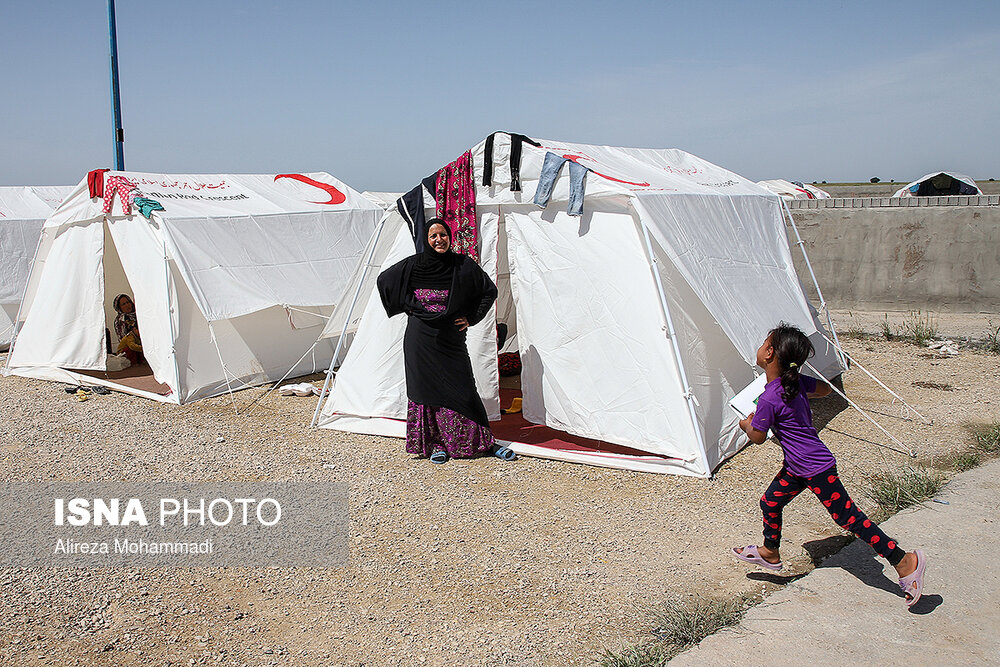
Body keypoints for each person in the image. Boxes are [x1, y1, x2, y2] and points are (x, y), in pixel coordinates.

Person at [731, 322, 927, 607]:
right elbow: (824, 389)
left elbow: (758, 437)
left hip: (816, 469)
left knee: (849, 519)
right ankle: (770, 552)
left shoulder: (770, 397)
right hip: (798, 467)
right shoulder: (791, 383)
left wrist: (746, 423)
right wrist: (797, 385)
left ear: (770, 354)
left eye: (764, 343)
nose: (760, 348)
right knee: (770, 501)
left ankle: (904, 560)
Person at [377, 219, 516, 464]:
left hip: (451, 340)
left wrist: (471, 317)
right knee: (426, 391)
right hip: (420, 341)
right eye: (433, 236)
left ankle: (482, 442)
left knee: (463, 389)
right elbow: (385, 280)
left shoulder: (462, 265)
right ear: (426, 240)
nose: (439, 239)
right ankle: (435, 445)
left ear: (449, 237)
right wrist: (411, 306)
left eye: (443, 234)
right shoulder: (414, 265)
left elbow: (488, 291)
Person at [112, 293, 143, 365]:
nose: (127, 305)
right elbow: (123, 338)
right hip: (130, 345)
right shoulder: (120, 320)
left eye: (128, 302)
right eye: (123, 304)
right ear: (119, 307)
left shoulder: (139, 314)